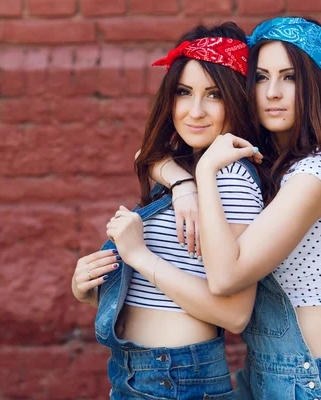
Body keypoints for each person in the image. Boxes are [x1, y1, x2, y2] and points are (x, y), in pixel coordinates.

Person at [148, 17, 321, 400]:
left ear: (317, 87)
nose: (272, 92)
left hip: (319, 379)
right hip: (270, 372)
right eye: (260, 78)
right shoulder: (269, 164)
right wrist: (182, 184)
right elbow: (148, 154)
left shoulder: (318, 172)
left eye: (289, 78)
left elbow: (226, 278)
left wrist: (204, 171)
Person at [71, 22, 271, 399]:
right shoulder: (187, 167)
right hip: (134, 372)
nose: (195, 111)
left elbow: (234, 314)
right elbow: (144, 157)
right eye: (184, 92)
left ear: (237, 99)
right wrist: (87, 286)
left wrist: (138, 256)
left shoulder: (231, 177)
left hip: (176, 377)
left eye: (213, 95)